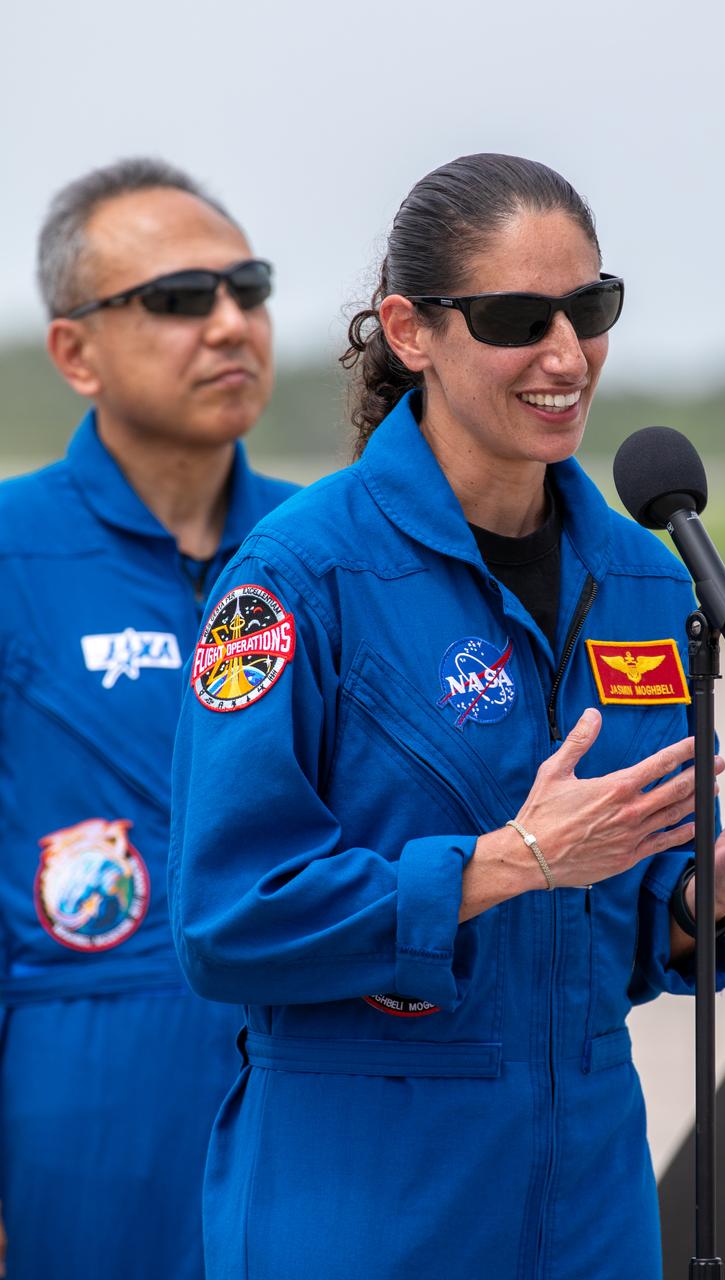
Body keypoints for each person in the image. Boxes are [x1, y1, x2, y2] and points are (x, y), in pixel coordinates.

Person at [169, 153, 725, 1280]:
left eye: (589, 309)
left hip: (586, 1194)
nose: (564, 353)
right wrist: (498, 863)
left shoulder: (642, 576)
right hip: (367, 1192)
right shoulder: (295, 576)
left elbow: (600, 935)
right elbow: (226, 918)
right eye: (515, 317)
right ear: (409, 328)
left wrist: (696, 896)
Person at [0, 158, 297, 1280]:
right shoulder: (11, 553)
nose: (229, 324)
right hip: (81, 1110)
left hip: (306, 1092)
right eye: (179, 300)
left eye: (249, 289)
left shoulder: (326, 552)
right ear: (75, 350)